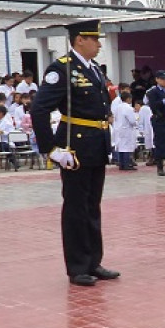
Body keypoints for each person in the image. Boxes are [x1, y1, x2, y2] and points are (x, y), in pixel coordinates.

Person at [31, 19, 120, 287]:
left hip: (95, 145)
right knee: (76, 208)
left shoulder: (94, 70)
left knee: (92, 206)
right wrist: (51, 150)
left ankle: (94, 261)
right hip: (75, 148)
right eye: (94, 39)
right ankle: (78, 266)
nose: (99, 43)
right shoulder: (62, 69)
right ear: (79, 39)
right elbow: (39, 110)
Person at [112, 90, 138, 171]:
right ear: (128, 99)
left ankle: (121, 164)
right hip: (126, 129)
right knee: (126, 148)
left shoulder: (118, 107)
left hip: (118, 129)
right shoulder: (128, 108)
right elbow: (132, 120)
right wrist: (136, 122)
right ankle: (126, 164)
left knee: (121, 147)